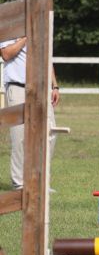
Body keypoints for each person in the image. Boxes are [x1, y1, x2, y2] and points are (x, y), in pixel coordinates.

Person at [0, 36, 60, 190]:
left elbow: (46, 58)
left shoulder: (40, 27)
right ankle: (20, 182)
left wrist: (55, 86)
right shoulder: (9, 29)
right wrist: (25, 38)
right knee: (20, 136)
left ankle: (40, 180)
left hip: (41, 88)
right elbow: (6, 54)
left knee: (51, 131)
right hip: (17, 87)